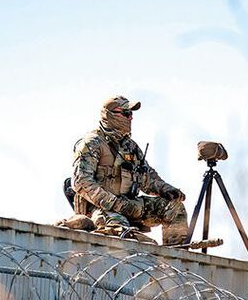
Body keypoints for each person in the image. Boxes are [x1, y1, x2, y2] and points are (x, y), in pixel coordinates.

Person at [67, 95, 190, 245]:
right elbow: (81, 182)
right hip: (102, 208)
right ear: (109, 115)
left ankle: (176, 258)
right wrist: (114, 203)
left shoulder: (130, 147)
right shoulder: (92, 143)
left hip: (131, 205)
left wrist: (167, 190)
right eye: (126, 113)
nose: (130, 118)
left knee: (175, 208)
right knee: (123, 234)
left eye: (131, 114)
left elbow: (147, 178)